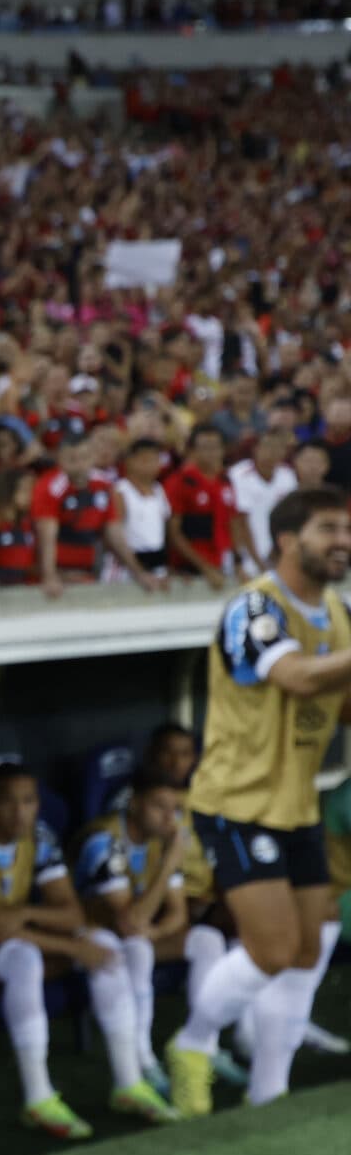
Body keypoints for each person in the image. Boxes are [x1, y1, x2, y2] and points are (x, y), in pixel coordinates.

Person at [168, 485, 351, 1115]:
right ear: (287, 539)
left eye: (347, 529)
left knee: (315, 938)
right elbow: (299, 678)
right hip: (237, 802)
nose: (343, 541)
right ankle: (192, 1044)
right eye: (328, 528)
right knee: (273, 949)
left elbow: (343, 702)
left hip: (296, 803)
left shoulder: (337, 610)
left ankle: (269, 1091)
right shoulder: (253, 608)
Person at [0, 762, 164, 1134]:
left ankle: (129, 1083)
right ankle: (38, 1097)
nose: (20, 811)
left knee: (104, 944)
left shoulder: (38, 837)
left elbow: (71, 912)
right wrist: (72, 948)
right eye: (9, 802)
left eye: (29, 801)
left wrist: (27, 911)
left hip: (5, 941)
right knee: (28, 957)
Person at [74, 771, 198, 1116]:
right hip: (81, 934)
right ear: (134, 803)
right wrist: (170, 863)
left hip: (128, 935)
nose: (169, 817)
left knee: (183, 943)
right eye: (159, 806)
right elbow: (129, 921)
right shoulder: (103, 839)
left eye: (174, 809)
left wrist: (153, 933)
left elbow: (178, 915)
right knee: (118, 952)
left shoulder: (162, 839)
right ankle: (130, 1076)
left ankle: (156, 1056)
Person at [32, 433, 119, 597]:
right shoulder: (50, 487)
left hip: (88, 573)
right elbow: (47, 536)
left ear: (93, 457)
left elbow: (114, 532)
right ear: (60, 459)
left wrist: (138, 571)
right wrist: (50, 576)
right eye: (72, 459)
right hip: (57, 576)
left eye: (84, 457)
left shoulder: (104, 485)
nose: (79, 464)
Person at [163, 423, 236, 587]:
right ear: (193, 451)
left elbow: (231, 523)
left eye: (216, 447)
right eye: (205, 448)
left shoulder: (225, 480)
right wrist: (205, 568)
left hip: (221, 563)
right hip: (188, 569)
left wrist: (237, 561)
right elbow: (173, 533)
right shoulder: (180, 482)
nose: (211, 453)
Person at [227, 423, 296, 575]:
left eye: (278, 447)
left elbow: (290, 520)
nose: (272, 452)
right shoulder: (238, 475)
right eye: (267, 446)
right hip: (247, 557)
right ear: (256, 449)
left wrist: (277, 554)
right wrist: (257, 561)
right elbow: (238, 522)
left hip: (278, 555)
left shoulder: (288, 476)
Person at [111, 436, 176, 589]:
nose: (151, 465)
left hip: (157, 563)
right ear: (129, 461)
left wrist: (167, 566)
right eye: (144, 460)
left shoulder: (159, 491)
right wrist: (138, 571)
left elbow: (165, 533)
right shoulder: (121, 491)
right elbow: (114, 536)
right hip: (126, 566)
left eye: (155, 460)